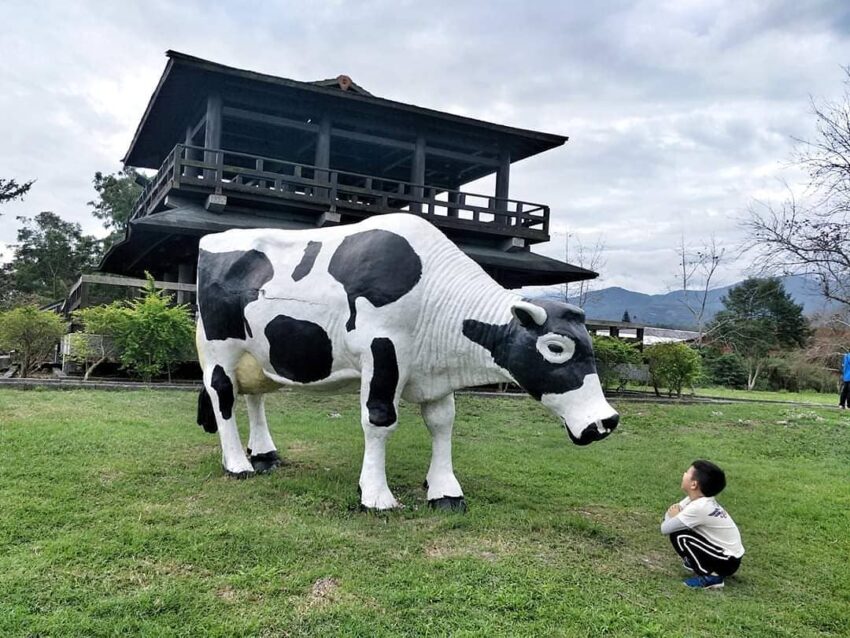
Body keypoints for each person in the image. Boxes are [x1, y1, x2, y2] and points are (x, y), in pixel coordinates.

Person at [661, 460, 744, 589]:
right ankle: (697, 562)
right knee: (681, 527)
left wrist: (674, 516)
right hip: (728, 557)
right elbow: (671, 513)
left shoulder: (699, 507)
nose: (683, 474)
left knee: (679, 535)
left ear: (694, 484)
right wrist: (673, 516)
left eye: (687, 473)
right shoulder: (697, 499)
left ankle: (712, 577)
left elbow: (665, 528)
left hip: (727, 561)